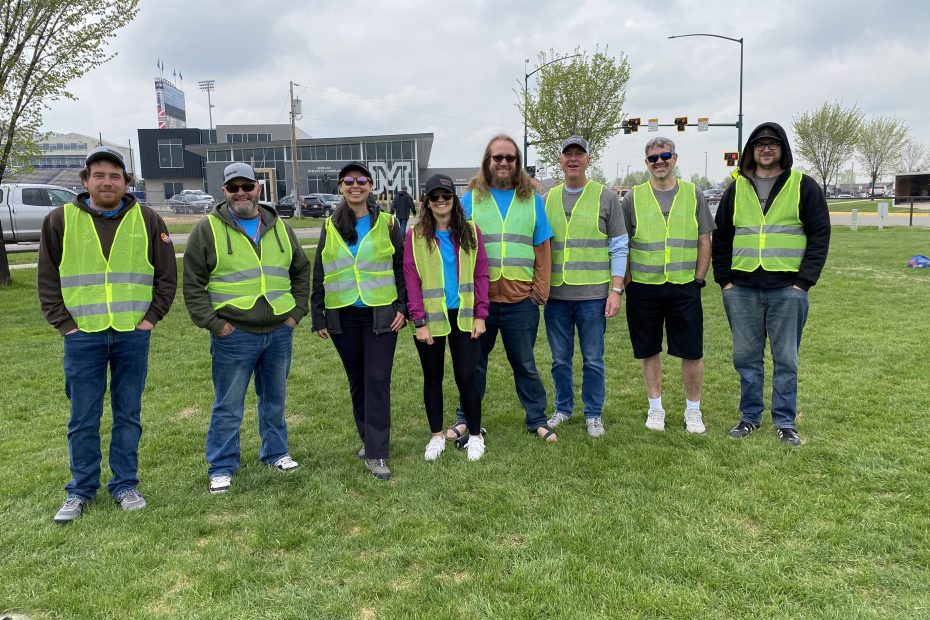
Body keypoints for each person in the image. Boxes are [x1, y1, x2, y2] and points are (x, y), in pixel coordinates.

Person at [38, 146, 177, 523]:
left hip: (133, 334)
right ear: (85, 181)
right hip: (82, 336)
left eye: (115, 176)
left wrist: (149, 320)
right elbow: (48, 280)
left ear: (126, 182)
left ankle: (125, 484)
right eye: (99, 175)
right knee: (83, 416)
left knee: (128, 414)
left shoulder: (147, 220)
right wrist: (66, 325)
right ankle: (80, 491)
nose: (107, 182)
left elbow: (166, 277)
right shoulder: (59, 221)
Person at [183, 162, 311, 494]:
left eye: (247, 186)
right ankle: (222, 466)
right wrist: (215, 325)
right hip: (234, 334)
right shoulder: (208, 228)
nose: (241, 193)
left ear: (258, 188)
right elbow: (193, 283)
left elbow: (301, 270)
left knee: (275, 399)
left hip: (279, 330)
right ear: (223, 192)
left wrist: (296, 312)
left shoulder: (279, 226)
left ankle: (276, 452)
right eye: (233, 188)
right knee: (228, 404)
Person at [712, 122, 830, 446]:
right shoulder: (736, 189)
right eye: (760, 144)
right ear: (751, 150)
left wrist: (803, 283)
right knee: (746, 358)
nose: (766, 149)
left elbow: (820, 235)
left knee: (786, 360)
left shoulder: (802, 185)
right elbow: (721, 235)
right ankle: (750, 418)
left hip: (787, 290)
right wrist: (724, 280)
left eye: (772, 144)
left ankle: (785, 422)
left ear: (782, 149)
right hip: (742, 289)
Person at [449, 134, 556, 442]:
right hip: (479, 301)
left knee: (524, 364)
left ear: (517, 163)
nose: (504, 163)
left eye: (510, 158)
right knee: (474, 364)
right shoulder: (471, 199)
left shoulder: (532, 201)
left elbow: (543, 246)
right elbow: (454, 245)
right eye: (498, 158)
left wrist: (541, 290)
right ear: (488, 162)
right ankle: (465, 418)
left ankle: (537, 418)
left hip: (520, 299)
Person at [311, 161, 407, 480]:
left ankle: (377, 454)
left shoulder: (389, 223)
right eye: (348, 180)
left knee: (377, 380)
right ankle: (369, 439)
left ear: (370, 186)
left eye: (362, 180)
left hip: (381, 315)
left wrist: (403, 307)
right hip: (343, 316)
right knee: (358, 381)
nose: (355, 185)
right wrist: (318, 313)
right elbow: (320, 271)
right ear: (340, 187)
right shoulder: (329, 226)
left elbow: (401, 267)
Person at [621, 137, 714, 434]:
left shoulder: (693, 193)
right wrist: (627, 280)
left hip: (684, 286)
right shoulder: (632, 198)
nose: (659, 162)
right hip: (644, 288)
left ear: (675, 158)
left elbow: (704, 239)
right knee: (649, 350)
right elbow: (622, 243)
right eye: (653, 158)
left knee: (692, 351)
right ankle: (656, 408)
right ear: (646, 163)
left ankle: (693, 411)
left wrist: (699, 278)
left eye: (665, 156)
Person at [543, 137, 628, 438]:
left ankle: (593, 414)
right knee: (559, 359)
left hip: (593, 296)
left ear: (588, 160)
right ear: (561, 161)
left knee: (593, 359)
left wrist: (615, 290)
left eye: (579, 154)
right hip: (556, 295)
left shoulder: (605, 197)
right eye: (568, 154)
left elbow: (619, 246)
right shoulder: (548, 198)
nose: (573, 159)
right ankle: (563, 408)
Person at [404, 174, 489, 461]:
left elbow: (481, 276)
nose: (441, 201)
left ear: (455, 199)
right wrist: (419, 322)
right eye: (434, 197)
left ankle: (475, 436)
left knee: (467, 377)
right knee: (433, 378)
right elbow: (411, 280)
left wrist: (481, 315)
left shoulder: (471, 232)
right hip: (430, 319)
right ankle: (436, 436)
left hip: (464, 318)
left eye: (446, 196)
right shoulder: (415, 236)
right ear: (426, 202)